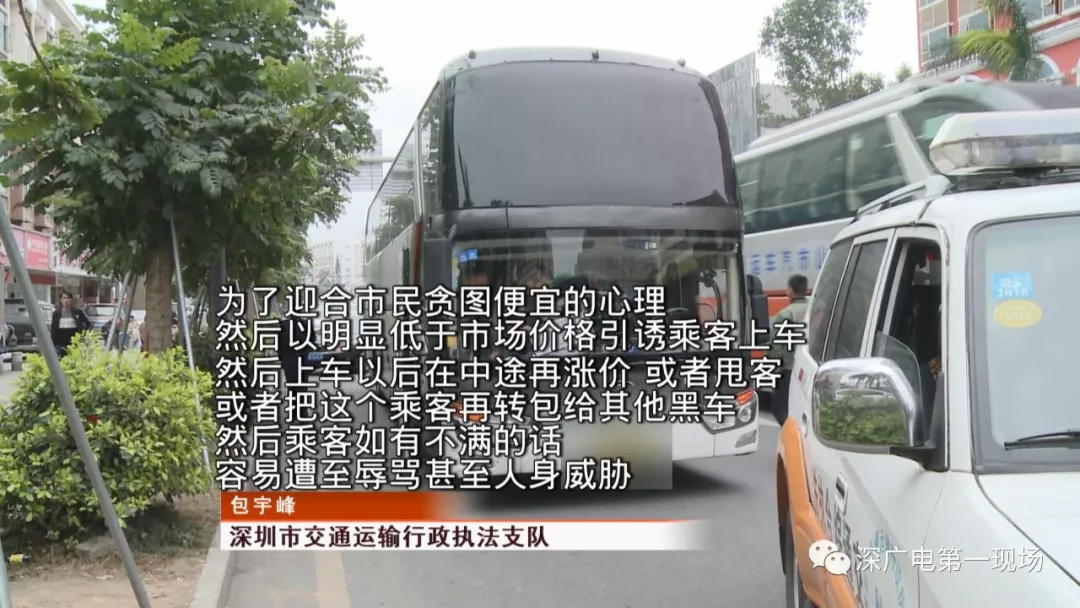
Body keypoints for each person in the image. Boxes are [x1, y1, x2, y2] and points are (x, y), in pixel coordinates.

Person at [768, 274, 810, 427]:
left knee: (779, 408)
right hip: (811, 363)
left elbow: (775, 346)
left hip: (789, 368)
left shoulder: (785, 314)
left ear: (790, 291)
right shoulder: (815, 308)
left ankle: (792, 434)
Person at [50, 290, 93, 358]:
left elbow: (88, 324)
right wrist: (52, 342)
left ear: (71, 300)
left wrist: (83, 334)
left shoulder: (77, 312)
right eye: (64, 298)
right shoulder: (56, 313)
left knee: (73, 360)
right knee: (57, 360)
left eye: (68, 298)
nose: (66, 300)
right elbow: (53, 329)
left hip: (73, 343)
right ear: (61, 300)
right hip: (59, 343)